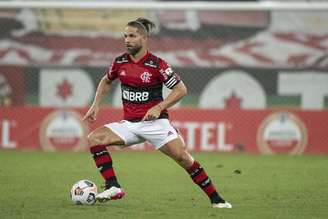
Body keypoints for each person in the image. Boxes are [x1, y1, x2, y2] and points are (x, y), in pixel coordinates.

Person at [83, 17, 232, 208]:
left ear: (144, 38)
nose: (127, 40)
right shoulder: (119, 62)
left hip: (156, 124)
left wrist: (159, 107)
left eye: (132, 36)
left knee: (183, 158)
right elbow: (106, 80)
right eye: (125, 36)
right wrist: (96, 105)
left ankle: (217, 200)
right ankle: (113, 186)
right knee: (94, 138)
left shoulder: (157, 65)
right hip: (130, 124)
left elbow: (181, 89)